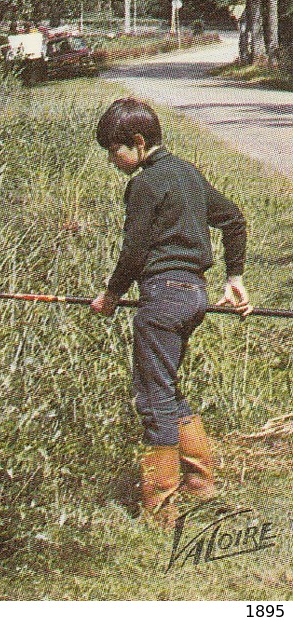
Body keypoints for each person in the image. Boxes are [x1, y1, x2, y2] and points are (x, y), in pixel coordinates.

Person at [89, 97, 250, 528]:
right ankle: (201, 484)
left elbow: (134, 252)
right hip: (194, 298)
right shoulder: (189, 174)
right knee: (166, 387)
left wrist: (109, 296)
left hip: (161, 300)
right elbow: (234, 219)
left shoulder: (144, 184)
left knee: (152, 397)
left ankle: (159, 509)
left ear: (138, 143)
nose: (112, 159)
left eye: (114, 150)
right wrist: (234, 278)